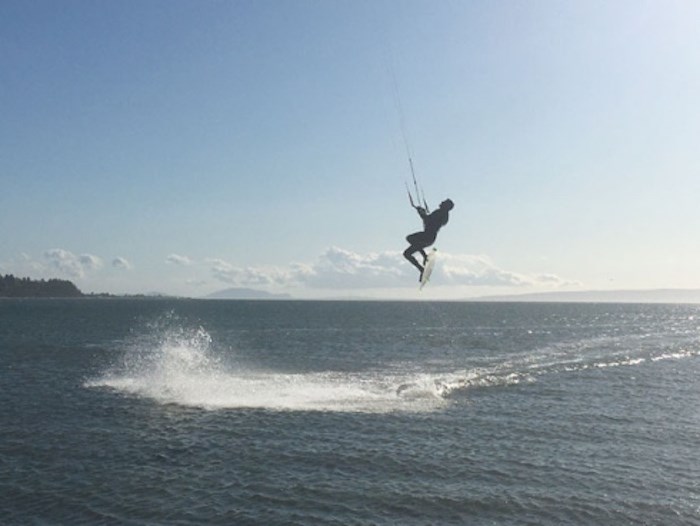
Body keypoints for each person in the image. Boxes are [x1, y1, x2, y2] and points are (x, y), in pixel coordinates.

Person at [403, 199, 454, 280]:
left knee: (410, 238)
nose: (441, 202)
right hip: (430, 238)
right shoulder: (443, 215)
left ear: (446, 206)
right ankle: (422, 269)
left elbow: (427, 220)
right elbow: (429, 220)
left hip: (427, 236)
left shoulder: (440, 212)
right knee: (406, 253)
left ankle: (424, 257)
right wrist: (422, 213)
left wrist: (421, 212)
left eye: (443, 202)